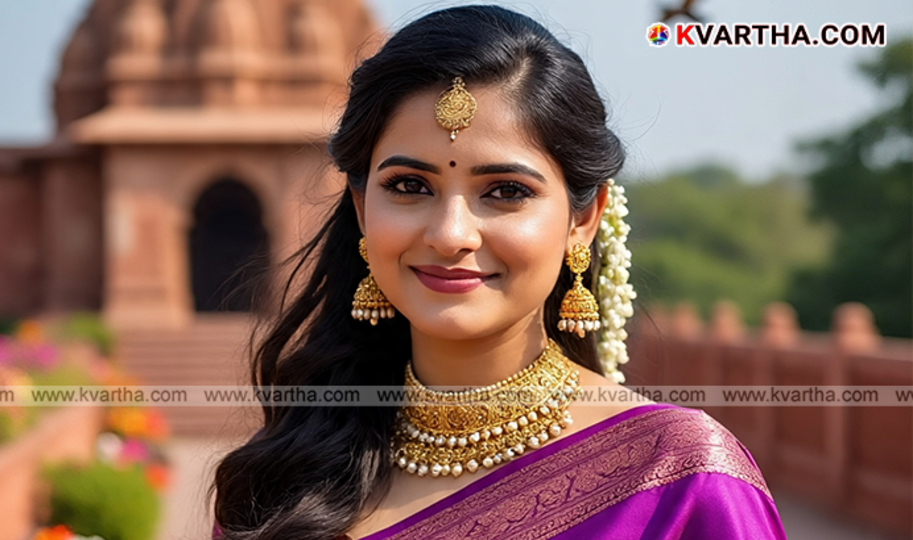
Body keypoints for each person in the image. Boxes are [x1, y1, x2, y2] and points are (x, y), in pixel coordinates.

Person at [210, 5, 787, 540]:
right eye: (409, 186)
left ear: (583, 218)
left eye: (506, 191)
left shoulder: (678, 480)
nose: (450, 233)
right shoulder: (283, 477)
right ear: (362, 209)